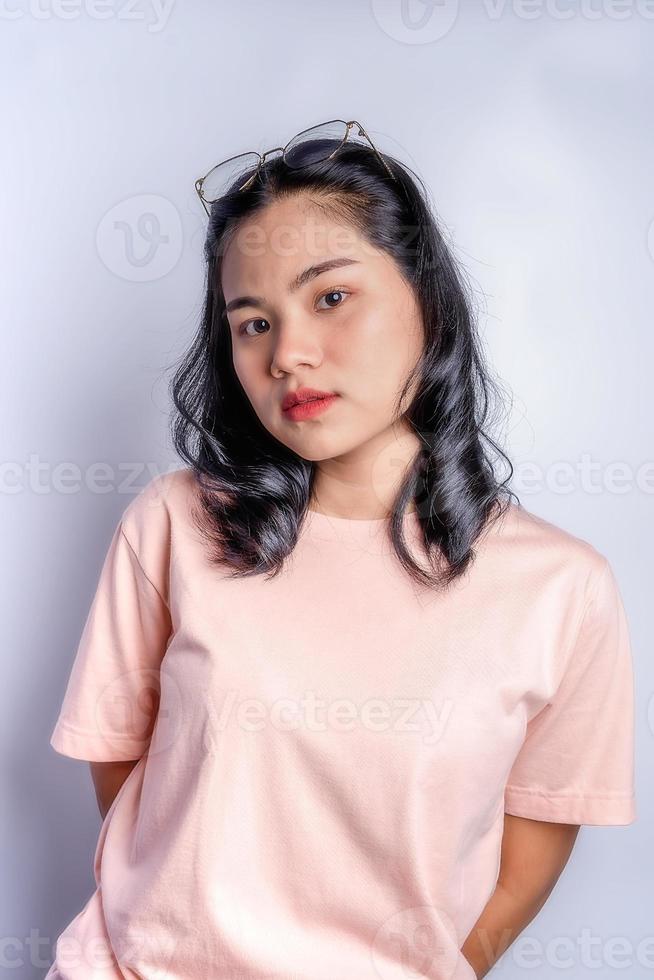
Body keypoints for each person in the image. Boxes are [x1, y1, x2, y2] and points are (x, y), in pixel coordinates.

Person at [46, 120, 636, 979]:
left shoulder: (562, 588)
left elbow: (532, 849)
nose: (288, 355)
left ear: (426, 300)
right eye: (252, 323)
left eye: (330, 297)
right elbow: (124, 771)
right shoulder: (173, 524)